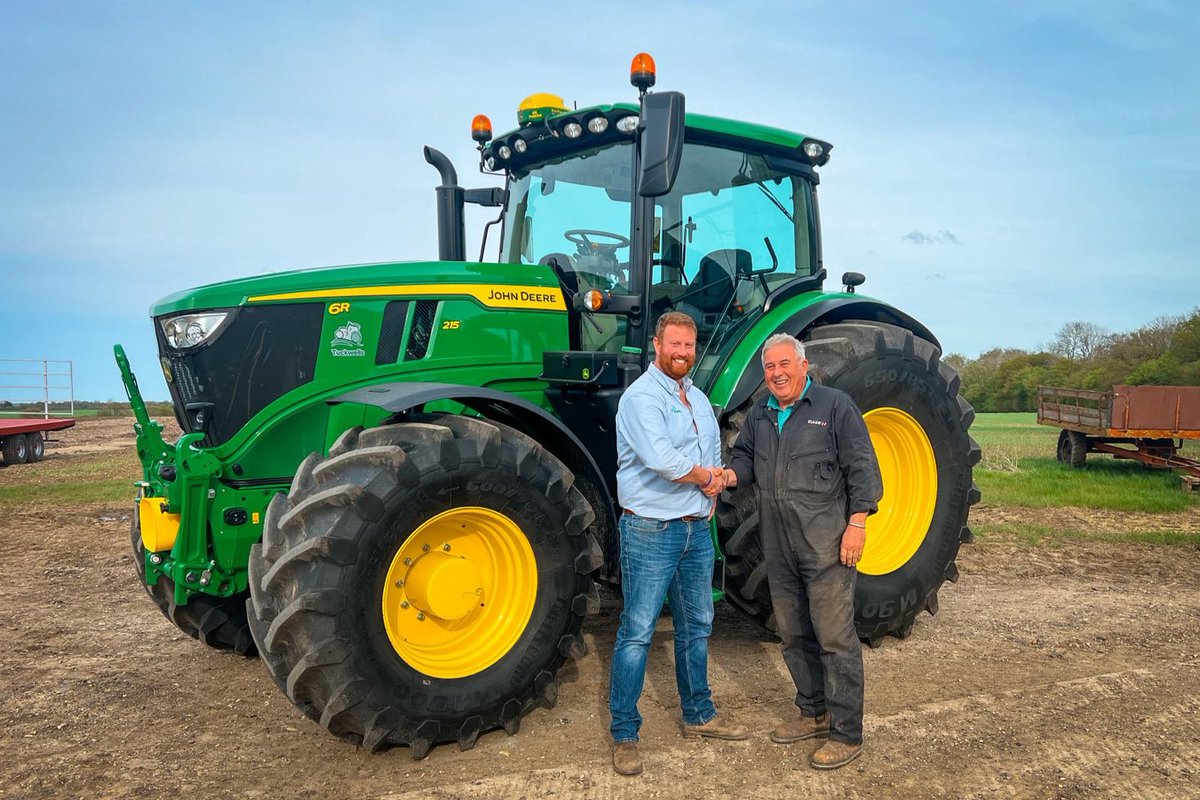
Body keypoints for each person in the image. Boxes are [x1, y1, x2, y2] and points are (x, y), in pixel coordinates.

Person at [723, 332, 882, 770]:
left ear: (803, 364)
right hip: (780, 547)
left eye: (783, 365)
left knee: (834, 638)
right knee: (792, 634)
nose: (776, 374)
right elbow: (744, 460)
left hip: (826, 546)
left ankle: (847, 734)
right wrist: (727, 478)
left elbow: (862, 469)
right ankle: (813, 712)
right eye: (769, 367)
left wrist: (857, 525)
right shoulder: (760, 414)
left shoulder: (834, 407)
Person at [608, 311, 748, 777]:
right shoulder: (641, 398)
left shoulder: (700, 400)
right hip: (651, 530)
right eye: (674, 345)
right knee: (638, 630)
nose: (682, 353)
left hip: (694, 530)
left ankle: (699, 715)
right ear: (656, 345)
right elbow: (661, 459)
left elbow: (711, 453)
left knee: (697, 625)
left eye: (689, 346)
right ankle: (625, 733)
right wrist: (710, 478)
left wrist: (716, 478)